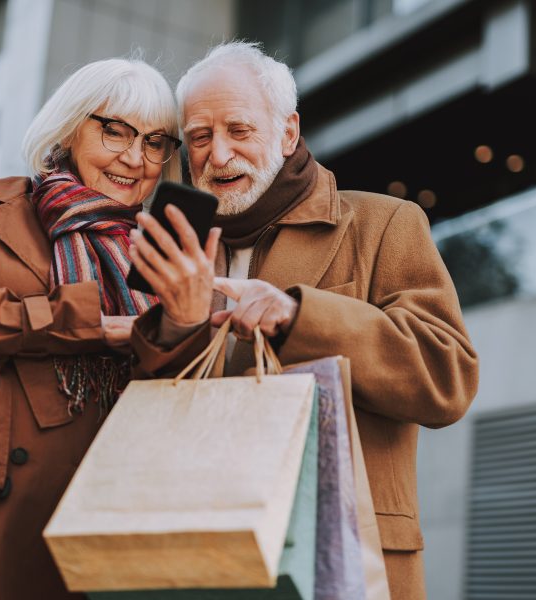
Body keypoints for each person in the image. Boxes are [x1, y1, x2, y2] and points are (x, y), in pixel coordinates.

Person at [128, 42, 479, 600]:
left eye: (238, 130)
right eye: (199, 137)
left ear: (288, 132)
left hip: (344, 561)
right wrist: (172, 329)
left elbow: (448, 376)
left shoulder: (383, 223)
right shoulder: (175, 248)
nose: (218, 155)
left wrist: (300, 315)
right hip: (201, 552)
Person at [0, 58, 190, 600]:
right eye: (114, 130)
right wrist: (77, 319)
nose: (135, 158)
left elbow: (172, 389)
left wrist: (183, 322)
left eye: (156, 142)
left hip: (99, 510)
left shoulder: (161, 251)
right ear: (70, 126)